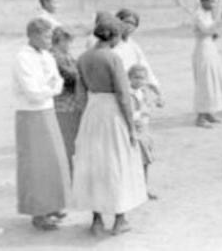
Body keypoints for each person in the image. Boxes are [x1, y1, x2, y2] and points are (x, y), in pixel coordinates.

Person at [71, 14, 147, 236]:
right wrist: (131, 127)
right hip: (112, 113)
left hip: (92, 113)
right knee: (116, 162)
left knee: (95, 164)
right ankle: (119, 220)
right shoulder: (113, 58)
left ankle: (96, 220)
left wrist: (83, 122)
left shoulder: (83, 58)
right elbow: (123, 95)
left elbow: (80, 95)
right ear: (113, 37)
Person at [12, 18, 71, 230]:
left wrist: (50, 88)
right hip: (30, 114)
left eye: (50, 36)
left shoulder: (47, 55)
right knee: (36, 165)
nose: (50, 40)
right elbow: (33, 93)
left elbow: (59, 81)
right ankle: (38, 213)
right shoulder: (22, 57)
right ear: (33, 36)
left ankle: (52, 205)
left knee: (52, 161)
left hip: (47, 110)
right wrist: (51, 89)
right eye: (46, 37)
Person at [192, 0, 222, 128]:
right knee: (205, 82)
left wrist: (219, 28)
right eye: (211, 1)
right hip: (202, 50)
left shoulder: (208, 14)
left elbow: (213, 33)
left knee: (213, 80)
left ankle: (208, 111)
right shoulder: (198, 15)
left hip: (210, 48)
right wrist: (220, 21)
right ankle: (200, 117)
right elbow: (206, 30)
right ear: (203, 1)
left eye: (214, 1)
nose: (213, 4)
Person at [51, 27, 84, 174]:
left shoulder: (66, 55)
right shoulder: (56, 57)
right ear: (60, 41)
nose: (70, 44)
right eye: (68, 41)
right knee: (68, 143)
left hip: (71, 103)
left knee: (72, 142)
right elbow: (71, 77)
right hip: (63, 105)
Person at [129, 64, 163, 201]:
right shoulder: (128, 94)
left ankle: (143, 188)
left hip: (144, 130)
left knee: (145, 161)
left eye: (142, 78)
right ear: (129, 78)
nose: (139, 80)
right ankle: (134, 190)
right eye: (135, 78)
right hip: (134, 130)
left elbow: (149, 106)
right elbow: (130, 113)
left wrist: (156, 102)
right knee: (134, 162)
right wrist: (142, 112)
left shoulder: (143, 91)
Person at [114, 8, 162, 100]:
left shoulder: (134, 46)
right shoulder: (109, 45)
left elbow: (146, 68)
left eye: (133, 24)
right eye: (126, 22)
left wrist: (157, 92)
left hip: (133, 90)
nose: (129, 26)